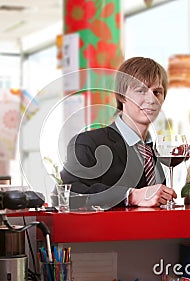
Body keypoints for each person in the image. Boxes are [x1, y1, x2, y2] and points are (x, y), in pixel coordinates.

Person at [60, 57, 177, 208]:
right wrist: (131, 196)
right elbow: (69, 194)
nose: (151, 99)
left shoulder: (151, 151)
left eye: (157, 92)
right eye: (141, 90)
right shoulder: (88, 142)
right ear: (122, 96)